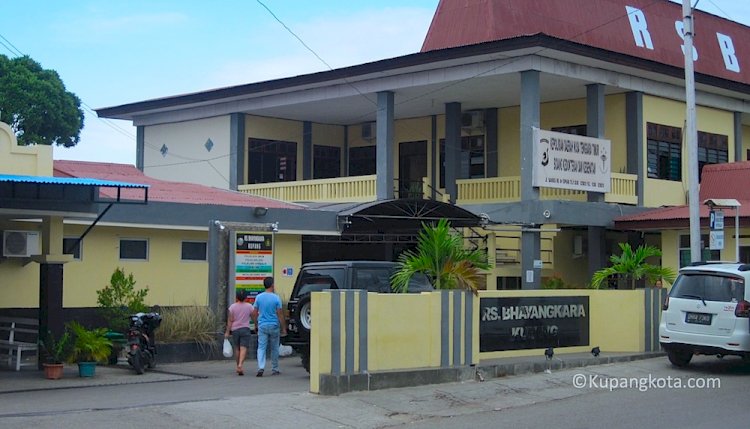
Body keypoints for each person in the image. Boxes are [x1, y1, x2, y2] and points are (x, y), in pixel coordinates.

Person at [254, 276, 286, 377]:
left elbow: (254, 312)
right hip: (274, 325)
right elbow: (280, 314)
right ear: (272, 285)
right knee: (274, 348)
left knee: (261, 347)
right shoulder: (276, 298)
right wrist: (283, 328)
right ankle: (275, 368)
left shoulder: (259, 297)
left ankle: (261, 367)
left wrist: (256, 324)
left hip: (262, 325)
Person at [224, 290, 257, 376]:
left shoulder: (232, 307)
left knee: (237, 348)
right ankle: (240, 365)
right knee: (243, 347)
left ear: (236, 297)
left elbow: (230, 320)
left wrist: (227, 332)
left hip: (235, 330)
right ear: (246, 298)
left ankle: (237, 365)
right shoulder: (249, 306)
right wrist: (256, 326)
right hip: (245, 329)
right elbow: (254, 317)